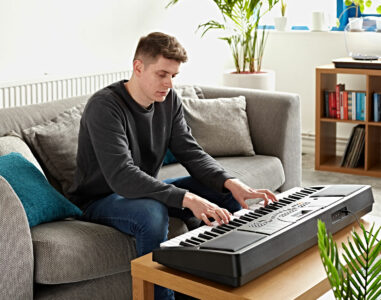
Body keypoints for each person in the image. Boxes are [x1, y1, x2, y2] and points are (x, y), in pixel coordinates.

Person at [69, 32, 277, 300]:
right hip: (101, 199)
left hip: (143, 188)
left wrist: (232, 182)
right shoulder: (105, 107)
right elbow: (121, 175)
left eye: (173, 76)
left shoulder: (168, 101)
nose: (168, 83)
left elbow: (191, 152)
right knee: (151, 212)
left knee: (223, 193)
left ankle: (214, 285)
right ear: (138, 67)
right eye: (162, 74)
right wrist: (187, 199)